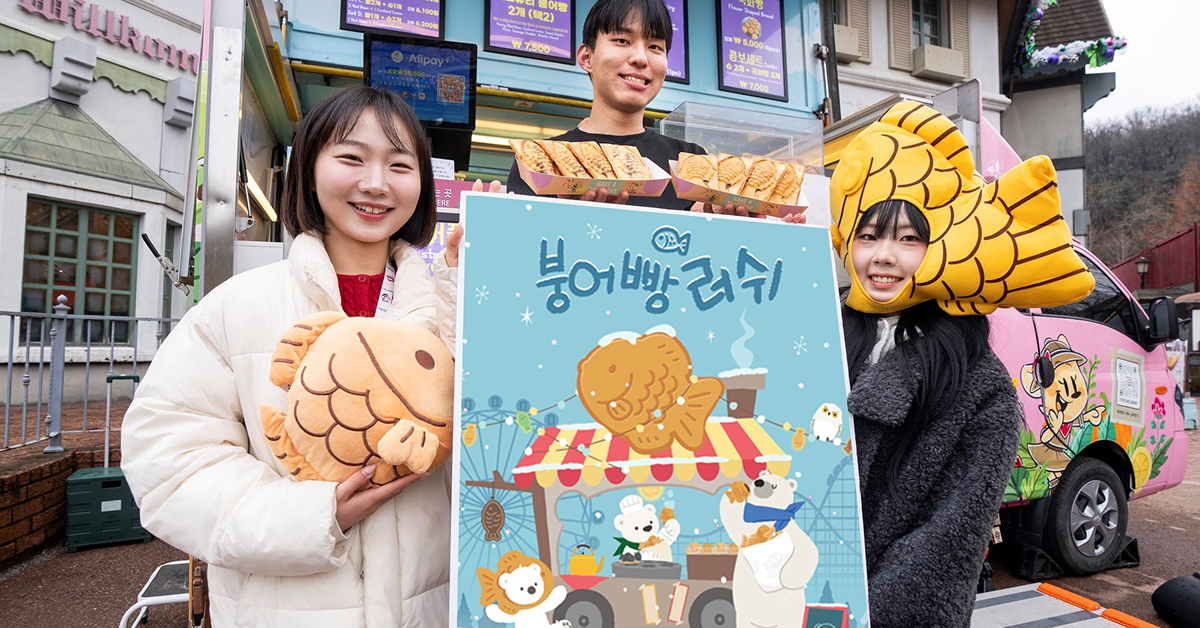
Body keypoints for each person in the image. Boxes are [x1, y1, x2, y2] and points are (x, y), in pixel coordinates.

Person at [120, 86, 461, 628]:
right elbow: (169, 460)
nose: (375, 184)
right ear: (307, 169)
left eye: (400, 165)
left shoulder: (454, 310)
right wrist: (318, 516)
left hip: (432, 609)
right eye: (351, 158)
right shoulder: (238, 306)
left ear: (422, 185)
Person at [840, 199, 1021, 627]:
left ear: (944, 249)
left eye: (908, 238)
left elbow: (946, 543)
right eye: (868, 236)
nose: (883, 254)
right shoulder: (818, 330)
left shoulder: (982, 385)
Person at [505, 0, 801, 221]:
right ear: (586, 57)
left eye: (655, 47)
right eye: (622, 40)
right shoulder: (539, 161)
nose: (640, 58)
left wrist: (729, 226)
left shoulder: (691, 162)